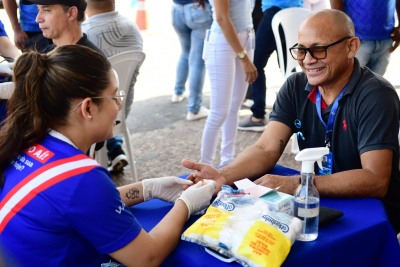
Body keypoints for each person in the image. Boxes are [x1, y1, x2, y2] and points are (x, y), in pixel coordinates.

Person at [182, 9, 400, 234]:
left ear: (351, 47)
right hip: (320, 200)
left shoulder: (376, 95)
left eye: (318, 49)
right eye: (301, 50)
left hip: (372, 213)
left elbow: (376, 180)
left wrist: (298, 184)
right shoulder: (295, 86)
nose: (307, 60)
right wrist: (224, 175)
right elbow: (265, 148)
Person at [0, 44, 217, 266]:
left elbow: (80, 204)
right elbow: (147, 258)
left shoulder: (34, 142)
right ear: (88, 109)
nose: (119, 104)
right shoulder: (82, 177)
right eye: (114, 96)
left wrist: (147, 189)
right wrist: (186, 204)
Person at [82, 0, 144, 173]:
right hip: (122, 110)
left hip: (94, 118)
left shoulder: (82, 36)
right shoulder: (133, 28)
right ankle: (115, 150)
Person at [199, 0, 258, 166]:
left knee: (234, 108)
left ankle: (228, 161)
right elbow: (221, 18)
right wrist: (244, 58)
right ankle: (204, 167)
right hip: (223, 42)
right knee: (219, 112)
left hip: (246, 37)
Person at [238, 0, 303, 132]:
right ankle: (299, 113)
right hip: (297, 13)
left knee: (255, 64)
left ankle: (257, 116)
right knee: (289, 67)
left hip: (275, 12)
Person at [330, 0, 400, 76]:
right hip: (356, 38)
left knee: (376, 85)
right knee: (350, 82)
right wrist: (341, 32)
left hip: (386, 37)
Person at [171, 0, 212, 121]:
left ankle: (178, 92)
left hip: (177, 8)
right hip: (199, 9)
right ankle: (194, 109)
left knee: (186, 53)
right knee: (197, 61)